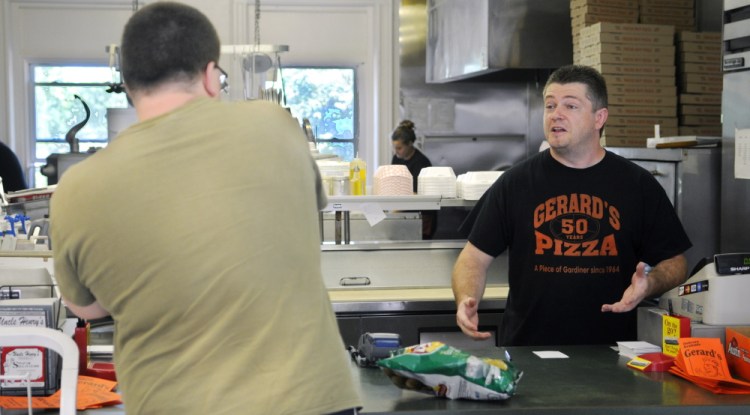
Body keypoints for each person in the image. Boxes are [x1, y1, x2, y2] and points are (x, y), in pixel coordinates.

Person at [49, 3, 361, 415]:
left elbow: (87, 308)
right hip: (312, 401)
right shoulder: (276, 127)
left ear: (128, 84)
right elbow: (302, 214)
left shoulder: (76, 189)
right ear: (212, 76)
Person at [452, 65, 692, 347]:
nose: (556, 114)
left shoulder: (637, 184)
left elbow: (676, 263)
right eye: (550, 105)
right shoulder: (515, 183)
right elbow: (473, 258)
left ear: (599, 118)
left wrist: (649, 284)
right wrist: (466, 298)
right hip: (530, 351)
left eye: (571, 106)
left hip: (613, 352)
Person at [390, 120, 436, 239]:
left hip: (422, 217)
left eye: (399, 148)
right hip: (403, 213)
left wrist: (395, 211)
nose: (396, 151)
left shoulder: (422, 163)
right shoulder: (397, 158)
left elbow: (416, 195)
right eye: (395, 148)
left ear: (410, 144)